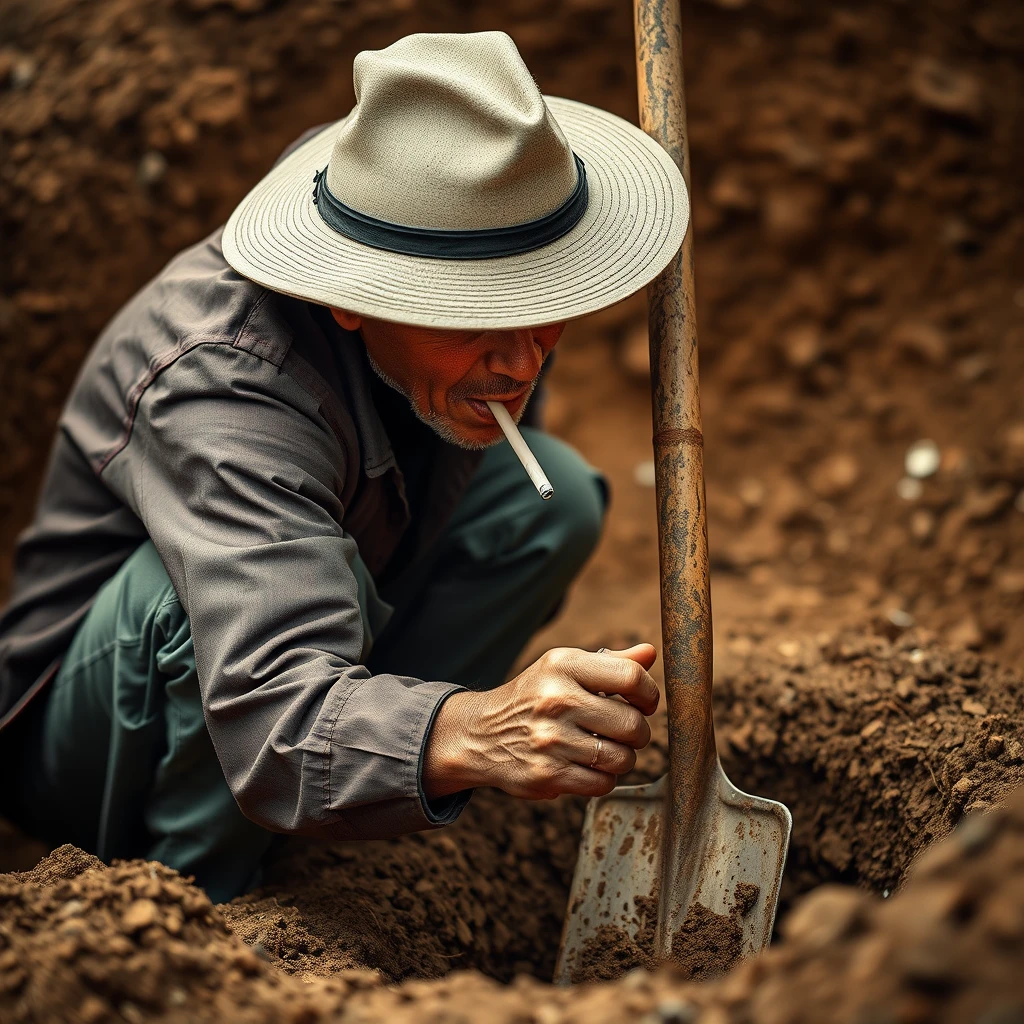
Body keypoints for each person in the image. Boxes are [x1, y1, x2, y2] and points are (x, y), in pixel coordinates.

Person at [0, 31, 688, 901]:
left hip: (319, 633)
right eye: (473, 313)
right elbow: (272, 704)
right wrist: (480, 729)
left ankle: (358, 813)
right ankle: (197, 897)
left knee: (547, 503)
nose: (523, 361)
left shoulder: (449, 233)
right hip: (105, 739)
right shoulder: (225, 383)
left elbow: (497, 374)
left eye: (542, 299)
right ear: (350, 293)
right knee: (189, 606)